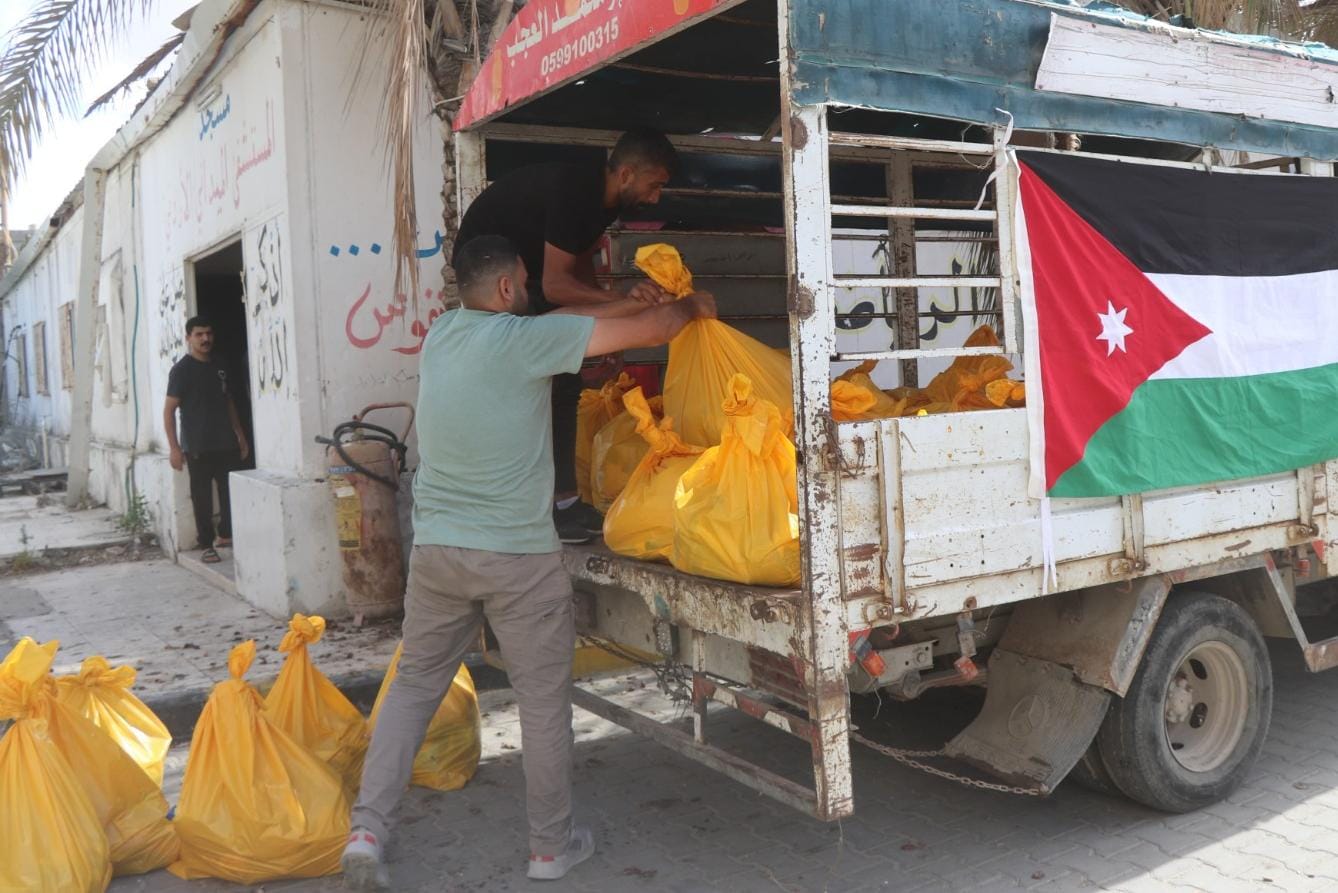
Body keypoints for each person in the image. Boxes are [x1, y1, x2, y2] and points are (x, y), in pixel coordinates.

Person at [341, 236, 715, 889]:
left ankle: (368, 832)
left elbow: (601, 321)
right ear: (510, 290)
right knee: (542, 701)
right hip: (515, 553)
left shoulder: (441, 337)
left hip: (437, 551)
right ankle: (550, 848)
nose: (529, 292)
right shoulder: (524, 340)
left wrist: (622, 299)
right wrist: (693, 305)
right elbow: (654, 327)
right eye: (524, 281)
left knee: (411, 687)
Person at [452, 127, 679, 543]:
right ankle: (560, 506)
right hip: (492, 280)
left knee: (567, 375)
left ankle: (562, 503)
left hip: (525, 279)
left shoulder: (601, 204)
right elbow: (557, 287)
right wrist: (618, 301)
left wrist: (602, 326)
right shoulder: (576, 191)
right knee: (559, 384)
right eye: (654, 185)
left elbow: (577, 270)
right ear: (626, 174)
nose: (655, 198)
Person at [163, 316, 250, 564]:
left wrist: (240, 435)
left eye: (209, 333)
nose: (205, 339)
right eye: (199, 334)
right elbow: (169, 411)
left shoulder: (220, 366)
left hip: (225, 443)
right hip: (197, 445)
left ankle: (224, 535)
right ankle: (206, 544)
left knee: (228, 493)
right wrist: (174, 449)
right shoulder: (181, 371)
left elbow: (229, 401)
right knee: (201, 497)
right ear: (188, 338)